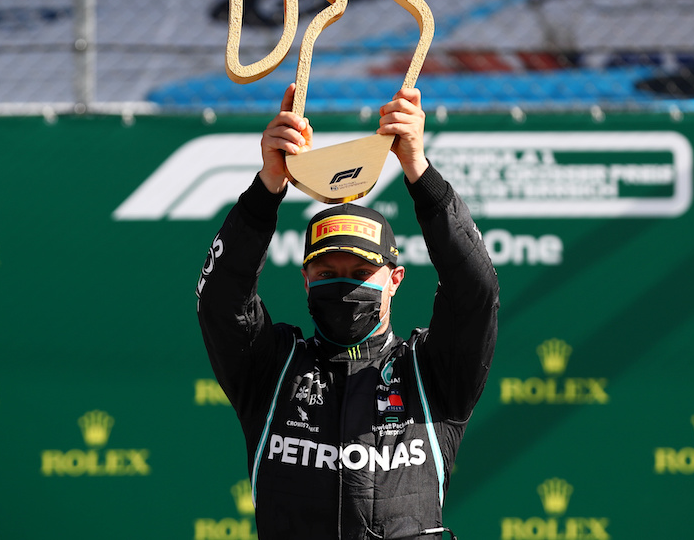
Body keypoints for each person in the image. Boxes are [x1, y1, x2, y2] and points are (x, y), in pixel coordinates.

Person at [196, 85, 499, 539]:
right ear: (305, 280)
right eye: (327, 272)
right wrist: (268, 186)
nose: (344, 284)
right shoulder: (272, 370)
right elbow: (221, 300)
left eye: (361, 272)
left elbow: (475, 291)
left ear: (395, 280)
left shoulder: (431, 373)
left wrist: (418, 171)